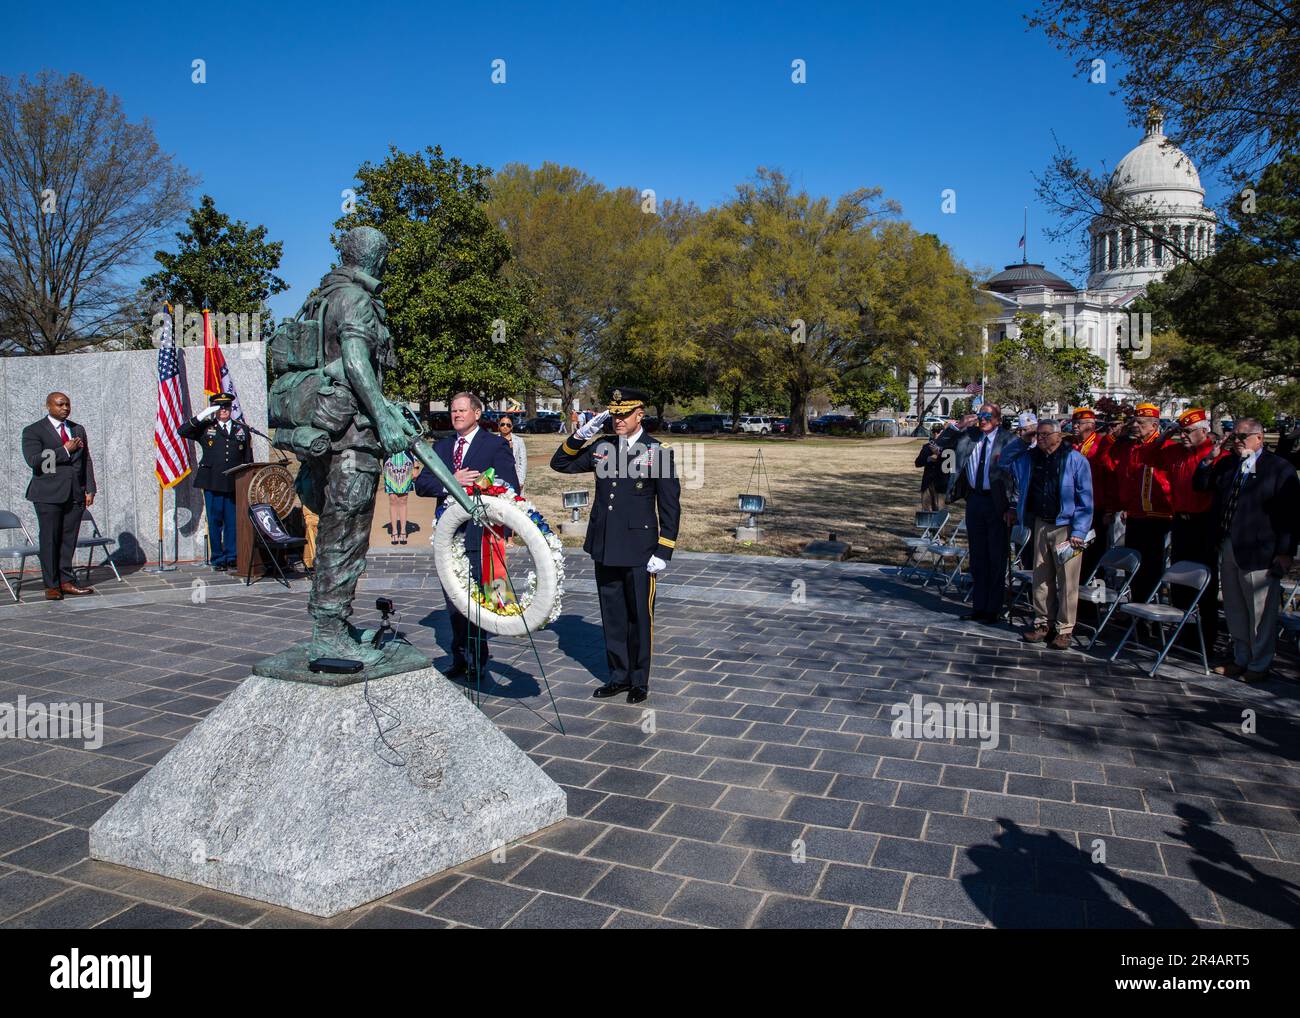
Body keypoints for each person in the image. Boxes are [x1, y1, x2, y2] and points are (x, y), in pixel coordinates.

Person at [551, 386, 681, 703]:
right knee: (612, 614)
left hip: (640, 548)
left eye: (623, 414)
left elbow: (670, 505)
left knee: (639, 616)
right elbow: (560, 464)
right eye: (613, 415)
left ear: (640, 414)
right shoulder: (603, 446)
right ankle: (618, 676)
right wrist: (581, 434)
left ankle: (639, 680)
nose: (617, 420)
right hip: (606, 544)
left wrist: (664, 549)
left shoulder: (658, 452)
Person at [413, 392, 519, 681]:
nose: (457, 415)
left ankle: (477, 660)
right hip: (448, 537)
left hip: (479, 535)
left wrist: (479, 488)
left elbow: (509, 485)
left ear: (476, 413)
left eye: (462, 410)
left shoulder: (494, 444)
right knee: (454, 602)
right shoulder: (443, 446)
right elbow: (421, 484)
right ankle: (459, 656)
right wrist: (451, 482)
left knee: (477, 601)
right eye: (453, 411)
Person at [1194, 418, 1299, 682]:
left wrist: (1285, 552)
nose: (1237, 442)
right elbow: (1202, 484)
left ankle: (1259, 663)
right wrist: (1209, 459)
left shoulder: (1279, 468)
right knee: (1235, 606)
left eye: (1242, 437)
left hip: (1260, 549)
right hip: (1229, 543)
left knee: (1260, 612)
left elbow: (1289, 514)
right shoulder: (1230, 464)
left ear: (1259, 438)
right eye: (1234, 437)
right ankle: (1240, 657)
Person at [1133, 408, 1226, 650]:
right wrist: (1166, 435)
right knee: (1180, 582)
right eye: (1181, 431)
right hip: (1180, 522)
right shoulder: (1175, 452)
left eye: (1188, 431)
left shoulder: (1215, 454)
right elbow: (1147, 456)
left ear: (1203, 431)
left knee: (1204, 581)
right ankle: (1183, 633)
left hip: (1203, 523)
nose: (1183, 436)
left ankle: (1205, 638)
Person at [1003, 420, 1093, 649]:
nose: (1039, 438)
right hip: (1041, 524)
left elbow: (1086, 499)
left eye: (1044, 435)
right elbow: (1004, 462)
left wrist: (1080, 530)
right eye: (1037, 435)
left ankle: (1064, 629)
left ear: (1058, 436)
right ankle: (1042, 623)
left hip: (1067, 528)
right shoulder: (1030, 459)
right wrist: (1024, 440)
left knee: (1067, 581)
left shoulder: (1075, 460)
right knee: (1041, 578)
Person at [21, 392, 97, 600]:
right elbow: (36, 461)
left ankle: (66, 581)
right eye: (60, 404)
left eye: (68, 404)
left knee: (68, 540)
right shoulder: (34, 431)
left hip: (75, 494)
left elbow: (86, 460)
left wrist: (90, 488)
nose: (65, 408)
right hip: (48, 495)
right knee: (50, 540)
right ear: (48, 406)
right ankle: (52, 585)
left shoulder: (77, 429)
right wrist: (64, 449)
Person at [948, 403, 1013, 624]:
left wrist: (1012, 506)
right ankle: (978, 606)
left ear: (997, 419)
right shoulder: (970, 436)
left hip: (997, 503)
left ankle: (992, 609)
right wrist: (958, 426)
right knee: (977, 557)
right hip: (974, 499)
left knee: (995, 556)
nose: (982, 419)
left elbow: (1018, 476)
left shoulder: (1008, 440)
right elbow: (945, 447)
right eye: (980, 415)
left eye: (987, 416)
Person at [179, 392, 253, 570]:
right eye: (220, 407)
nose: (224, 411)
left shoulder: (241, 429)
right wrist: (203, 415)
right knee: (215, 521)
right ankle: (218, 558)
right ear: (214, 409)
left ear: (231, 409)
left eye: (227, 407)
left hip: (235, 482)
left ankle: (232, 556)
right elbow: (183, 431)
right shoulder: (206, 427)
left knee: (232, 521)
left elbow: (248, 458)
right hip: (212, 481)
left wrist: (248, 480)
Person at [1111, 403, 1174, 603]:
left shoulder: (1166, 446)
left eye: (1141, 422)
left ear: (1154, 425)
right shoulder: (1132, 447)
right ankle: (1135, 606)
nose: (1135, 425)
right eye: (1134, 421)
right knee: (1134, 565)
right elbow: (1116, 468)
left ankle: (1148, 612)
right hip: (1136, 514)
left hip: (1158, 516)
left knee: (1151, 567)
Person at [1070, 408, 1116, 579]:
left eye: (1079, 423)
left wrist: (1110, 510)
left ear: (1091, 425)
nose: (1075, 426)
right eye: (1074, 423)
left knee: (1095, 558)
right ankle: (1080, 603)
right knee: (1079, 559)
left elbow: (1110, 478)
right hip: (1076, 509)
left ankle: (1097, 601)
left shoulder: (1101, 444)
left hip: (1097, 509)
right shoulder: (1075, 445)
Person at [383, 450, 415, 545]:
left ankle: (403, 531)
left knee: (403, 499)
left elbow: (414, 443)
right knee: (392, 499)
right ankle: (394, 531)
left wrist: (416, 465)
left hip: (406, 461)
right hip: (390, 461)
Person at [914, 424, 948, 510]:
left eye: (939, 432)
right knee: (926, 510)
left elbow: (951, 466)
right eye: (934, 431)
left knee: (939, 510)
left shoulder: (948, 447)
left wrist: (939, 455)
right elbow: (917, 463)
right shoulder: (927, 447)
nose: (936, 434)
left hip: (940, 484)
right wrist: (928, 459)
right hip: (927, 483)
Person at [498, 414, 528, 492]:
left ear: (512, 427)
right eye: (502, 424)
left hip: (514, 477)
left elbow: (523, 462)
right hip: (498, 479)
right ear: (498, 426)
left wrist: (521, 481)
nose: (505, 427)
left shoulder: (519, 441)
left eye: (508, 425)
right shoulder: (493, 440)